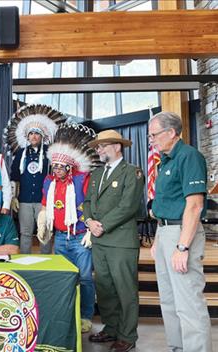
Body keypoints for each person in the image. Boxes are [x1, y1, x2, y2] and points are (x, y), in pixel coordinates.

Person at [149, 112, 212, 352]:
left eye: (154, 134)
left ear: (172, 132)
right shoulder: (165, 161)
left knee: (188, 302)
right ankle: (178, 348)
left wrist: (182, 247)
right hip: (165, 232)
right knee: (168, 300)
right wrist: (157, 239)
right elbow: (163, 205)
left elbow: (194, 206)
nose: (151, 139)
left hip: (181, 234)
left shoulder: (189, 157)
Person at [84, 130, 144, 352]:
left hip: (120, 242)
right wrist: (89, 220)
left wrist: (102, 225)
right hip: (100, 241)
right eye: (97, 147)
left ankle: (127, 336)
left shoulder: (132, 172)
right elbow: (88, 201)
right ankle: (111, 328)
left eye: (102, 146)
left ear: (117, 147)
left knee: (125, 289)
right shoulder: (97, 175)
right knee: (105, 287)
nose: (98, 150)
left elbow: (128, 206)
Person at [36, 122, 98, 334]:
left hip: (80, 237)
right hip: (61, 237)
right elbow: (45, 204)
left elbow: (93, 204)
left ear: (70, 166)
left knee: (85, 277)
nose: (57, 170)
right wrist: (43, 219)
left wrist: (90, 228)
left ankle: (85, 315)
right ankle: (67, 312)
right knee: (65, 276)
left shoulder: (82, 180)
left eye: (61, 167)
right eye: (54, 166)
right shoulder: (48, 182)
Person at [9, 118, 55, 254]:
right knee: (25, 232)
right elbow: (15, 177)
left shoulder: (49, 153)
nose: (34, 136)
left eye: (37, 133)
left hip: (44, 201)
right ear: (27, 136)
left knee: (45, 231)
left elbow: (54, 176)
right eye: (31, 133)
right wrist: (13, 197)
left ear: (42, 136)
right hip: (25, 200)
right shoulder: (20, 154)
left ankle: (46, 262)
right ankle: (25, 261)